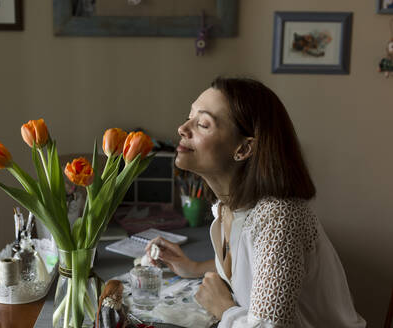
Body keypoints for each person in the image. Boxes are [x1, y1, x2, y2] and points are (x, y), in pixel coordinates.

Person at [145, 77, 366, 327]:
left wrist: (224, 309)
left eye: (203, 124)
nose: (183, 128)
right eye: (189, 116)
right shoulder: (228, 208)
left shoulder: (278, 218)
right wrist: (192, 266)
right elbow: (254, 269)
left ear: (243, 149)